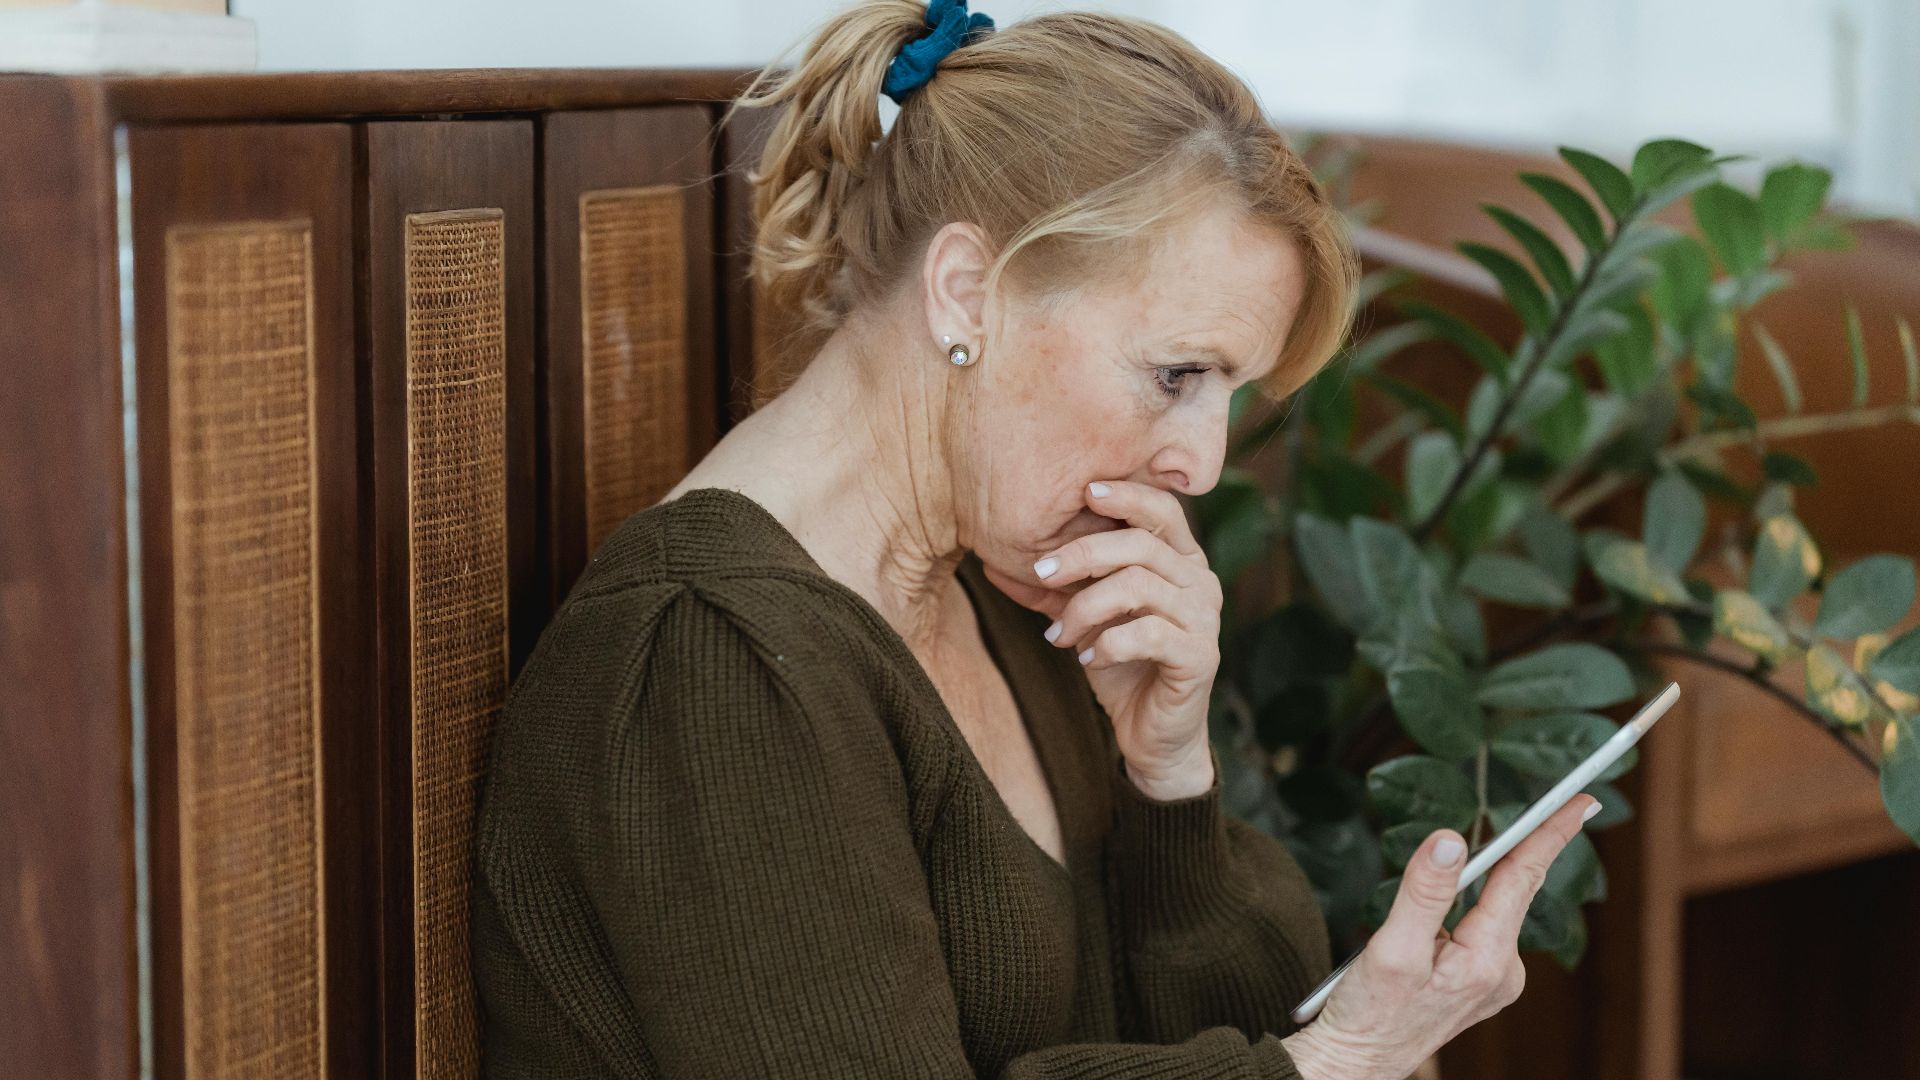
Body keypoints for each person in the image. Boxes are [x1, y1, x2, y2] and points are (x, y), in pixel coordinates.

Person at [469, 0, 1602, 1076]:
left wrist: (1169, 780)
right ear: (968, 292)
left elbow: (1223, 1030)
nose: (1201, 463)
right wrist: (1334, 1065)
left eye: (1226, 394)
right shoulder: (707, 655)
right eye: (1176, 375)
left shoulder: (1015, 577)